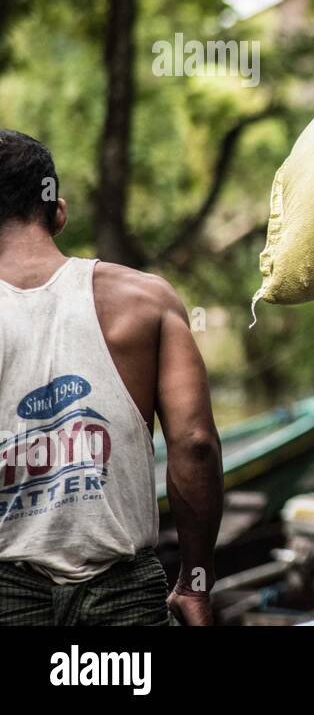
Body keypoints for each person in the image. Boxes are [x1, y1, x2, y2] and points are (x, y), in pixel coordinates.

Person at [0, 130, 222, 625]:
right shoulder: (147, 300)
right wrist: (196, 583)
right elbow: (196, 444)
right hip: (122, 597)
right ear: (58, 211)